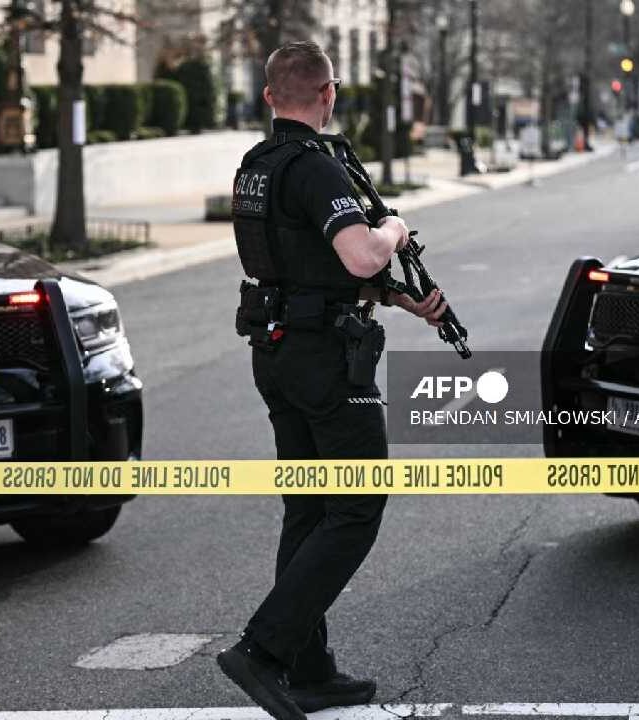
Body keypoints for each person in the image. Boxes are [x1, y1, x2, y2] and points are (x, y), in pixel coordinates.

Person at [217, 41, 448, 720]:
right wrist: (396, 230)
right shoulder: (317, 168)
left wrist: (404, 300)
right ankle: (262, 651)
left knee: (311, 506)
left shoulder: (255, 168)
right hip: (324, 359)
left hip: (277, 348)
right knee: (357, 505)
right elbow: (357, 252)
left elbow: (303, 265)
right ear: (329, 93)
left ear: (268, 97)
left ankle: (307, 668)